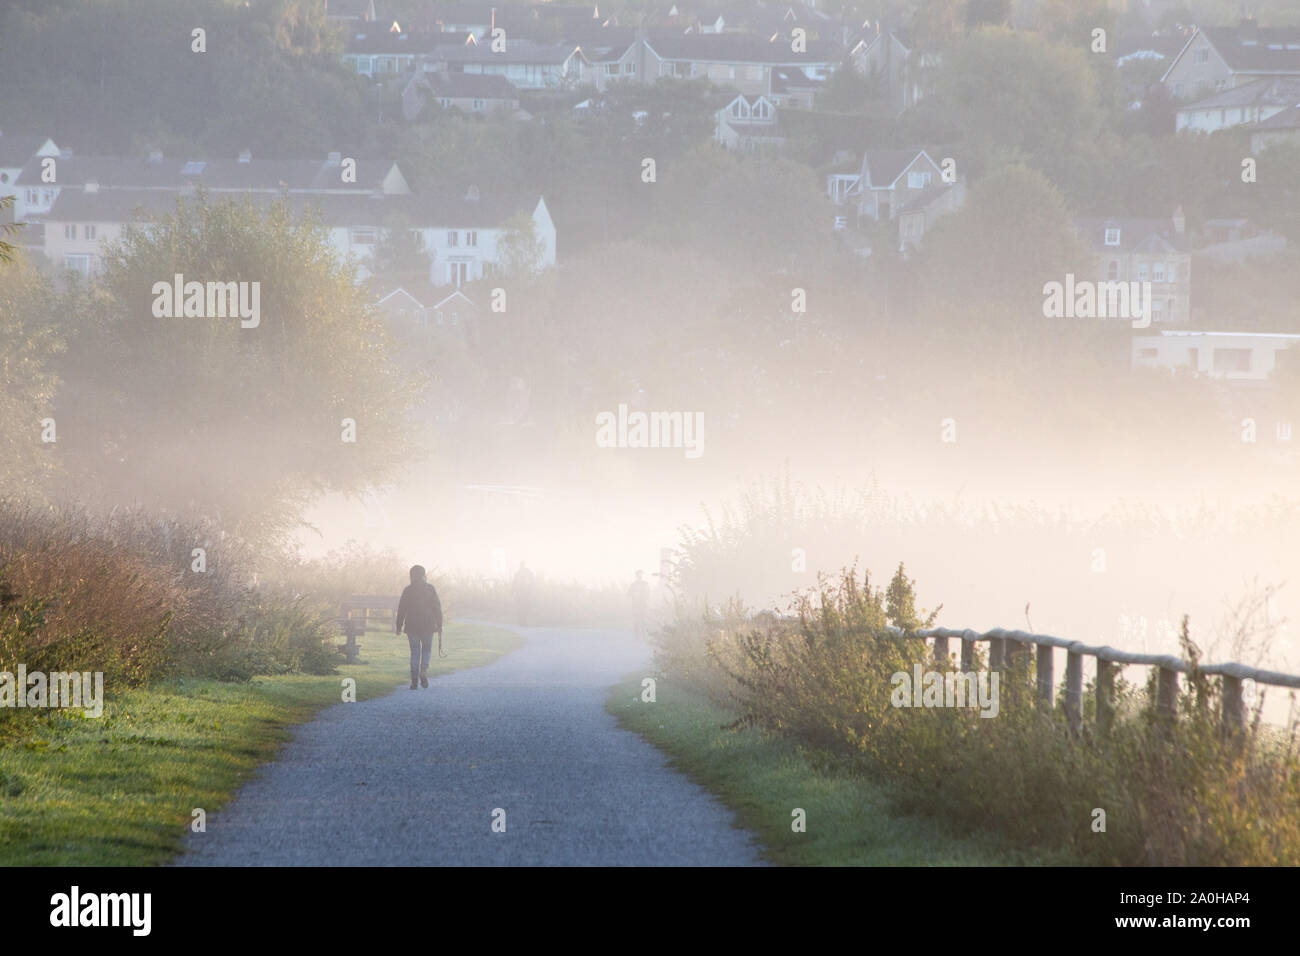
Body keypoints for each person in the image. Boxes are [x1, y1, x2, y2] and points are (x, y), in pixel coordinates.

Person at [394, 565, 442, 690]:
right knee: (426, 650)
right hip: (428, 625)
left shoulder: (408, 590)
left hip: (412, 626)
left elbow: (401, 609)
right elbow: (437, 607)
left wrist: (398, 626)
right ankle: (423, 672)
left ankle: (414, 680)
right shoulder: (430, 589)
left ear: (411, 576)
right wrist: (440, 625)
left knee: (415, 651)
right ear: (424, 575)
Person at [628, 570, 650, 639]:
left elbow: (647, 593)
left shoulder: (644, 584)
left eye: (640, 575)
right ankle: (637, 633)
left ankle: (642, 633)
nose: (639, 576)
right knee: (637, 619)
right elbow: (629, 593)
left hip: (642, 604)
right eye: (638, 575)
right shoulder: (634, 584)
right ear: (637, 576)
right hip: (636, 604)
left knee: (642, 618)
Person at [512, 561, 534, 626]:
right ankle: (524, 622)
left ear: (520, 565)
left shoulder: (518, 573)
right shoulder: (527, 572)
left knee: (520, 607)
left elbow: (514, 583)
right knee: (525, 607)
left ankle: (521, 622)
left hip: (520, 593)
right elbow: (532, 578)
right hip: (525, 593)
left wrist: (512, 591)